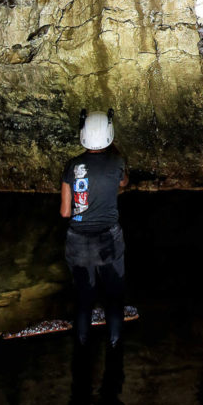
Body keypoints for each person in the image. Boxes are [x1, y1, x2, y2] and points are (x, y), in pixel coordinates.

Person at [60, 110, 128, 349]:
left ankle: (81, 350)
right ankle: (115, 346)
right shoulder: (117, 163)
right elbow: (123, 183)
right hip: (109, 241)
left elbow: (65, 212)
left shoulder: (72, 166)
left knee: (83, 300)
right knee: (114, 297)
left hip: (78, 242)